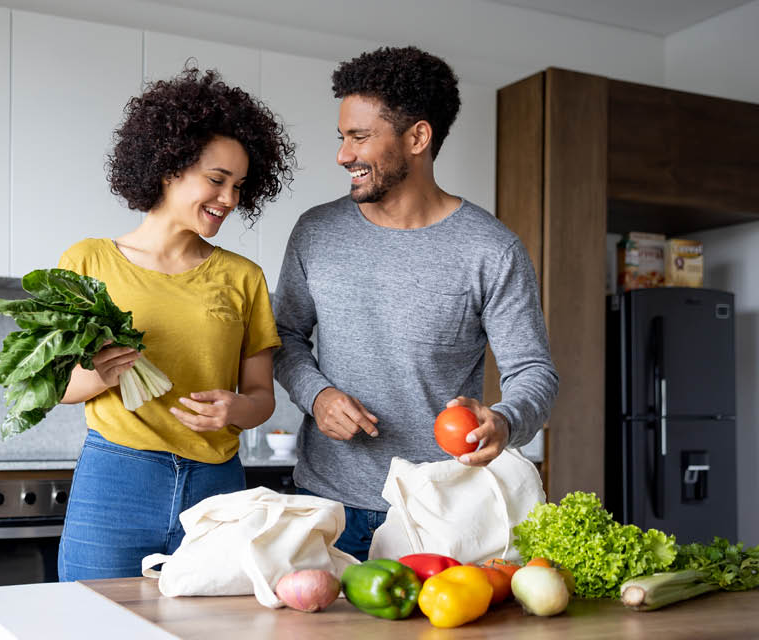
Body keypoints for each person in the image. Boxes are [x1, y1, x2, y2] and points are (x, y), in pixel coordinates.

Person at [273, 46, 558, 561]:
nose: (343, 155)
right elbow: (283, 336)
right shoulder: (316, 232)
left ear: (417, 138)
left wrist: (505, 419)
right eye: (343, 137)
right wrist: (316, 395)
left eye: (359, 137)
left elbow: (533, 370)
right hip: (324, 507)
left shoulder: (491, 249)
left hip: (437, 512)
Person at [55, 68, 295, 581]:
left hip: (217, 488)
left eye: (239, 186)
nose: (229, 199)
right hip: (116, 480)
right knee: (90, 623)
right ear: (168, 167)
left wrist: (238, 408)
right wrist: (104, 373)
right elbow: (55, 385)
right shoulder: (88, 262)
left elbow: (262, 396)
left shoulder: (243, 277)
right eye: (216, 180)